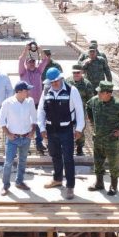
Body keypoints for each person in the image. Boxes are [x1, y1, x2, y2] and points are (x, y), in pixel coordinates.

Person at [38, 68, 85, 200]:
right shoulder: (46, 91)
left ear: (61, 78)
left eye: (56, 81)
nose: (54, 84)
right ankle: (57, 179)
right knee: (55, 156)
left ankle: (70, 186)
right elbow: (41, 111)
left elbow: (80, 111)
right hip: (51, 130)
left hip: (66, 130)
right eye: (51, 82)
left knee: (68, 159)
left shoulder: (72, 91)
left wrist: (79, 128)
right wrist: (42, 128)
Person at [86, 81, 119, 195]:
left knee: (113, 164)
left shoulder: (118, 104)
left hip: (111, 140)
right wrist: (91, 120)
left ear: (108, 93)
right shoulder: (95, 100)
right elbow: (87, 106)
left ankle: (114, 186)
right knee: (98, 163)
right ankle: (99, 183)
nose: (98, 93)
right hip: (98, 138)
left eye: (100, 92)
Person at [0, 81, 37, 196]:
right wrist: (8, 134)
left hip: (26, 137)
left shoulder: (29, 102)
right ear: (19, 92)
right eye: (26, 90)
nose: (28, 92)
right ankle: (5, 185)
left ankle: (19, 182)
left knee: (23, 161)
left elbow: (34, 119)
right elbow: (1, 120)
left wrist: (32, 132)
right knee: (8, 162)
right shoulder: (8, 103)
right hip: (13, 138)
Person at [19, 44, 49, 154]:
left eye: (33, 62)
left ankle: (39, 143)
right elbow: (21, 59)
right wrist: (26, 50)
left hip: (37, 103)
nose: (31, 63)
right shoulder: (23, 72)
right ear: (26, 64)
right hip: (26, 103)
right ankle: (24, 145)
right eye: (29, 62)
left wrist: (39, 49)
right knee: (26, 124)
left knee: (38, 123)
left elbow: (45, 59)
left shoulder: (38, 71)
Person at [66, 65, 95, 156]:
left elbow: (90, 100)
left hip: (81, 111)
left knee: (80, 129)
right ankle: (69, 147)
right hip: (69, 110)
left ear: (82, 72)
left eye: (78, 72)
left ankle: (79, 148)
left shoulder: (87, 84)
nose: (76, 74)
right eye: (74, 72)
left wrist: (88, 114)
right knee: (68, 129)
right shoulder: (67, 82)